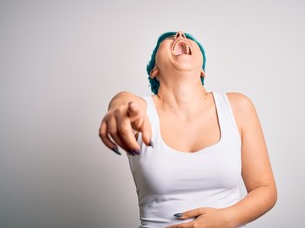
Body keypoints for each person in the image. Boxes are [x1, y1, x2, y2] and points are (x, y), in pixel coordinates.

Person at [99, 31, 277, 228]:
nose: (179, 34)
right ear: (154, 71)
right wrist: (119, 107)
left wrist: (224, 219)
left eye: (189, 38)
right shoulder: (141, 109)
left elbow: (265, 189)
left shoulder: (237, 106)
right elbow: (124, 101)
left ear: (202, 70)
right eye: (167, 39)